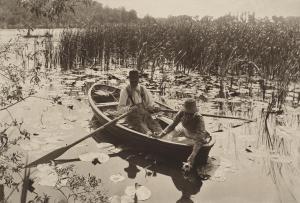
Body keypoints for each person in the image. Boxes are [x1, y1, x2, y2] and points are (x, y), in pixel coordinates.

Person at [158, 98, 211, 171]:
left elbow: (200, 138)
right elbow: (172, 125)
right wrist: (161, 134)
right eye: (186, 112)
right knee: (165, 139)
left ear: (194, 112)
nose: (187, 114)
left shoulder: (199, 118)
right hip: (183, 129)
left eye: (190, 113)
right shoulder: (182, 112)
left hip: (194, 135)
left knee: (174, 141)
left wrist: (192, 155)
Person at [118, 69, 162, 135]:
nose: (134, 82)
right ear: (129, 79)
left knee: (158, 129)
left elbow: (150, 104)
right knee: (146, 132)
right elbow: (120, 110)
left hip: (145, 115)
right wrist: (129, 108)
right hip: (132, 118)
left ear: (138, 79)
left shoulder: (143, 89)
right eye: (132, 81)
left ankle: (160, 134)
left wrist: (155, 107)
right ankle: (149, 134)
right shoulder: (125, 91)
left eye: (135, 80)